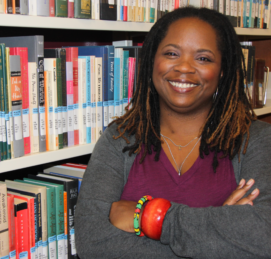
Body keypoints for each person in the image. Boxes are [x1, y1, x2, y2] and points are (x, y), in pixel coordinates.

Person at [74, 6, 271, 259]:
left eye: (203, 58)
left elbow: (264, 234)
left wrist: (150, 218)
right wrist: (219, 235)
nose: (185, 68)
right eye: (171, 53)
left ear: (222, 71)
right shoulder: (119, 138)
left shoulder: (255, 140)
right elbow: (93, 242)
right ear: (152, 62)